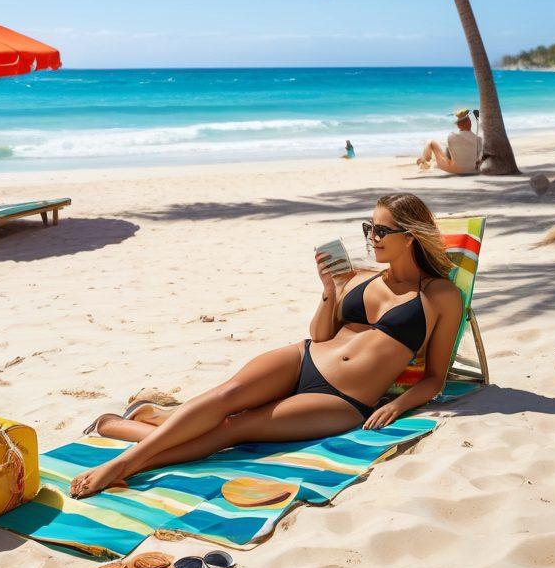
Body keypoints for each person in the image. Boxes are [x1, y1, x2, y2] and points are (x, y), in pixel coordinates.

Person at [69, 193, 463, 498]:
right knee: (227, 395)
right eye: (368, 228)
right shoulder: (358, 277)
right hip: (304, 356)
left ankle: (124, 456)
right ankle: (130, 446)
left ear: (410, 237)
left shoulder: (440, 295)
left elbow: (434, 379)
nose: (371, 238)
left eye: (380, 231)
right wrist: (329, 290)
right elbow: (322, 334)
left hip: (343, 399)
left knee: (233, 428)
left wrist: (396, 405)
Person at [417, 108, 481, 175]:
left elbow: (449, 154)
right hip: (471, 170)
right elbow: (478, 157)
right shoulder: (479, 139)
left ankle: (423, 160)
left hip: (455, 169)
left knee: (430, 142)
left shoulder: (452, 136)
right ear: (470, 123)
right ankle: (426, 161)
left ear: (458, 125)